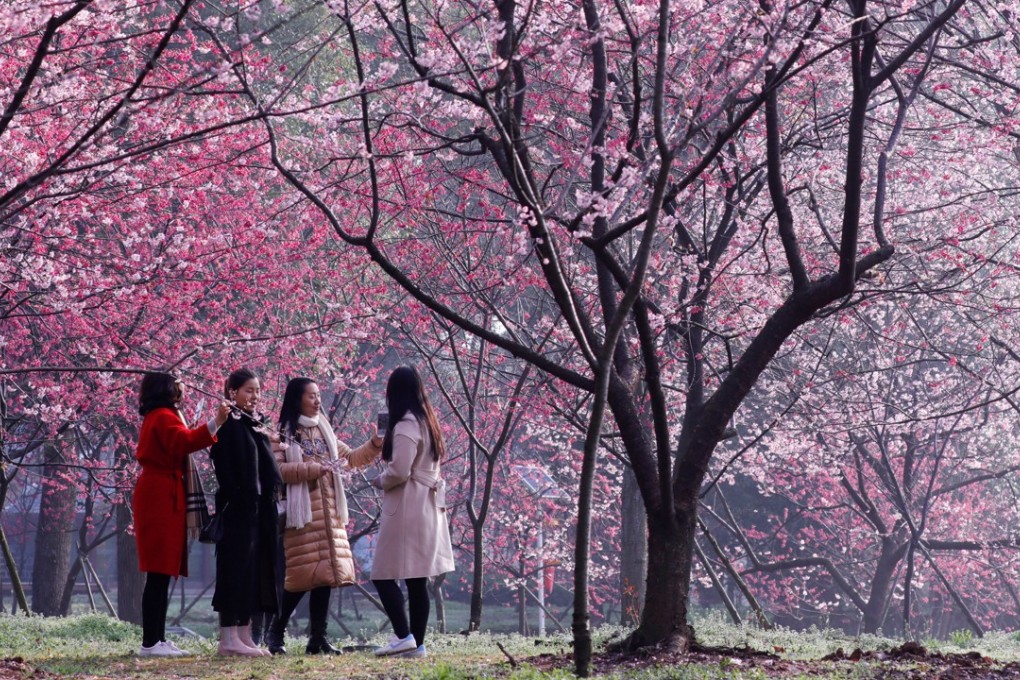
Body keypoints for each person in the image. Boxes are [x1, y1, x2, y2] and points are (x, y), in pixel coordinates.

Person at [265, 377, 383, 655]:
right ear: (297, 399)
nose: (318, 400)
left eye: (318, 395)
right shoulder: (283, 433)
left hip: (329, 512)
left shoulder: (324, 430)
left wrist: (375, 444)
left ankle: (317, 637)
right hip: (302, 514)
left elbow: (352, 458)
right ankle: (276, 631)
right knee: (301, 576)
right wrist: (313, 469)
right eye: (311, 396)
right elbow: (278, 471)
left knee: (325, 576)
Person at [133, 372, 231, 657]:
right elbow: (184, 441)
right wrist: (217, 422)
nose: (182, 389)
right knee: (159, 570)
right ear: (167, 389)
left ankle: (157, 639)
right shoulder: (164, 416)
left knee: (161, 571)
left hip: (162, 492)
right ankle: (151, 642)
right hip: (161, 495)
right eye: (177, 385)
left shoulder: (159, 415)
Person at [370, 366, 454, 659]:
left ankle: (404, 636)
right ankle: (416, 644)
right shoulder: (427, 421)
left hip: (409, 505)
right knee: (419, 578)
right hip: (428, 504)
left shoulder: (405, 424)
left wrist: (379, 479)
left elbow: (400, 471)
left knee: (382, 573)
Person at [209, 368, 282, 657]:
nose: (255, 396)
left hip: (259, 509)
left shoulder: (255, 424)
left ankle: (244, 636)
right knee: (234, 571)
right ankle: (228, 639)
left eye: (258, 391)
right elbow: (226, 468)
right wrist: (239, 496)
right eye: (249, 390)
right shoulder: (226, 424)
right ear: (232, 392)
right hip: (237, 509)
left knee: (253, 571)